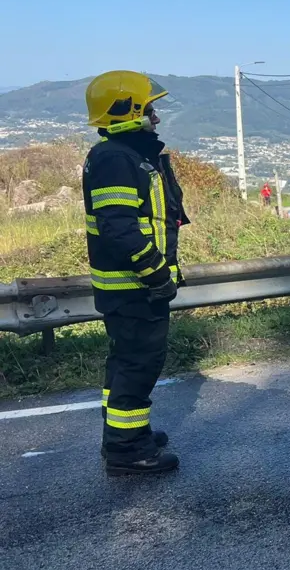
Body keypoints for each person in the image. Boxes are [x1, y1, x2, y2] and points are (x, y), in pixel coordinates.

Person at [83, 70, 187, 475]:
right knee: (138, 364)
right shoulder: (116, 159)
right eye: (149, 110)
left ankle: (124, 432)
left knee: (125, 362)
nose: (155, 118)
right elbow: (120, 228)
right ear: (126, 111)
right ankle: (127, 450)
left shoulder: (123, 155)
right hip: (134, 287)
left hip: (130, 286)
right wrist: (157, 274)